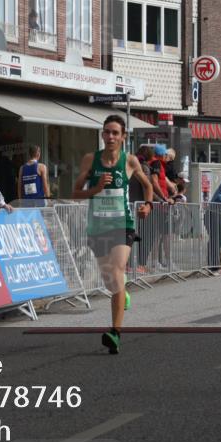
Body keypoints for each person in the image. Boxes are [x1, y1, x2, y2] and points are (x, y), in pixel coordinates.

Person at [72, 115, 153, 355]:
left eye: (115, 133)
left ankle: (115, 333)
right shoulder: (90, 160)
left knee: (117, 271)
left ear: (123, 136)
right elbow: (76, 193)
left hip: (122, 225)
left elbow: (148, 186)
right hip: (97, 226)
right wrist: (96, 189)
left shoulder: (130, 161)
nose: (110, 137)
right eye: (107, 132)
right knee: (110, 280)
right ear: (102, 134)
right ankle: (122, 292)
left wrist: (147, 205)